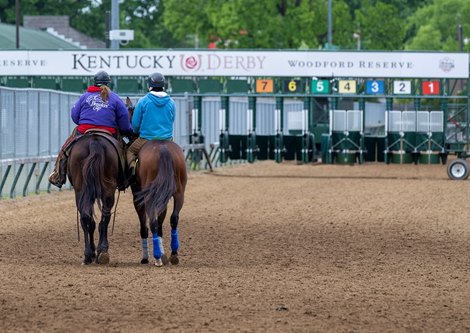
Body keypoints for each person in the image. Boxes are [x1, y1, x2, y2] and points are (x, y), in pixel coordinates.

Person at [48, 70, 133, 188]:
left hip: (84, 130)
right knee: (123, 151)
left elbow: (74, 116)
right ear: (108, 84)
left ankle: (58, 175)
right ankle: (123, 178)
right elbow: (124, 121)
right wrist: (128, 130)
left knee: (66, 148)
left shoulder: (85, 96)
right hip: (109, 132)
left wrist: (86, 122)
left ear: (94, 83)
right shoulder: (115, 98)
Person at [126, 72, 176, 182]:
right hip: (167, 139)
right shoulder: (171, 102)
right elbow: (172, 120)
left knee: (130, 151)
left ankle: (133, 172)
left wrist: (137, 130)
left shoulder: (143, 101)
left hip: (146, 139)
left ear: (150, 86)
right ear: (163, 85)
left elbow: (135, 125)